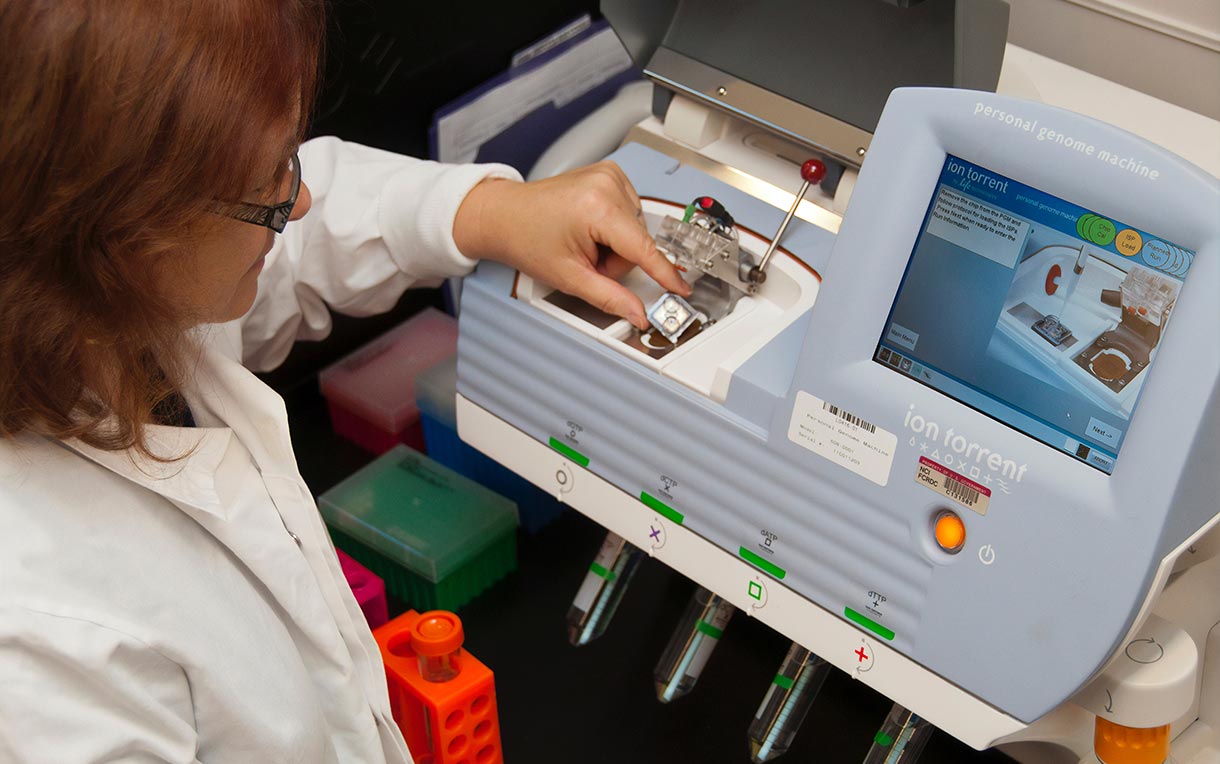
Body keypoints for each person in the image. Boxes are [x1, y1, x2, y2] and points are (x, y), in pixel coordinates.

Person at [0, 1, 690, 760]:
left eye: (284, 158)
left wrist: (492, 209)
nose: (293, 200)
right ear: (115, 231)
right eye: (268, 181)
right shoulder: (46, 665)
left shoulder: (92, 297)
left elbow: (306, 224)